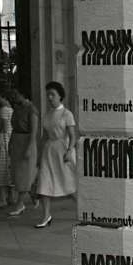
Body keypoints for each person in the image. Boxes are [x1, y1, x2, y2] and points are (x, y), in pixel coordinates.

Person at [35, 81, 77, 228]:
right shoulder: (47, 115)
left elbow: (72, 135)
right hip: (48, 151)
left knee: (69, 182)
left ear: (60, 96)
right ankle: (46, 215)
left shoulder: (67, 114)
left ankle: (84, 210)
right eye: (48, 95)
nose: (50, 97)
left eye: (52, 94)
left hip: (62, 151)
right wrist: (39, 154)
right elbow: (44, 136)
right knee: (44, 182)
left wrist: (69, 150)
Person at [5, 89, 39, 216]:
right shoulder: (17, 109)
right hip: (17, 141)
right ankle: (33, 194)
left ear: (23, 94)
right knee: (17, 174)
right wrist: (10, 143)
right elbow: (14, 128)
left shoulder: (32, 109)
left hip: (27, 141)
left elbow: (34, 131)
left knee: (24, 175)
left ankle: (20, 203)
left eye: (16, 94)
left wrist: (30, 147)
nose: (14, 97)